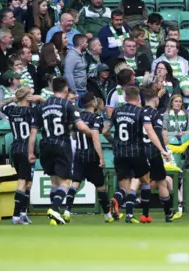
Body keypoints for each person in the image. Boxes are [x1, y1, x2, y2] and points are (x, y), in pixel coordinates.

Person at [28, 77, 93, 225]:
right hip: (61, 144)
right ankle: (54, 208)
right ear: (65, 90)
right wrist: (92, 133)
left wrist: (31, 152)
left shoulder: (41, 107)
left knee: (54, 182)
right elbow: (82, 127)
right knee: (66, 183)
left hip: (45, 145)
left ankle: (55, 216)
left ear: (52, 89)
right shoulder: (68, 105)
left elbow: (33, 132)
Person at [103, 85, 169, 223]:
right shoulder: (141, 112)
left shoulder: (117, 111)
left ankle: (120, 205)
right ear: (138, 98)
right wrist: (162, 149)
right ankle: (143, 215)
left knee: (125, 187)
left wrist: (114, 143)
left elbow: (105, 131)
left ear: (125, 97)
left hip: (119, 153)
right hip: (136, 152)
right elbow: (150, 132)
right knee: (145, 181)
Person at [61, 93, 112, 223]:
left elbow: (73, 135)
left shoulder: (78, 117)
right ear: (93, 102)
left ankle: (67, 210)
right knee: (100, 186)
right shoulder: (96, 118)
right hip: (91, 156)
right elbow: (95, 138)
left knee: (75, 184)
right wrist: (101, 157)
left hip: (79, 154)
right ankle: (107, 215)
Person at [0, 86, 43, 225]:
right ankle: (16, 215)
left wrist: (13, 99)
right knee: (23, 182)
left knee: (28, 181)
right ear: (27, 97)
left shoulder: (12, 109)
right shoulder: (32, 111)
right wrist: (41, 99)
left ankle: (22, 212)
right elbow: (48, 108)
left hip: (15, 148)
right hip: (26, 149)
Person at [141, 88, 181, 222]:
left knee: (141, 182)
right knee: (162, 182)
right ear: (156, 99)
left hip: (139, 152)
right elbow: (157, 133)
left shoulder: (139, 112)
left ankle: (143, 214)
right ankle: (168, 213)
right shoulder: (155, 114)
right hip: (153, 151)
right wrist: (163, 150)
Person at [64, 34, 88, 99]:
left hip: (84, 89)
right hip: (76, 91)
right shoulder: (71, 56)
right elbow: (68, 74)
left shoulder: (82, 54)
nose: (87, 44)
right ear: (81, 43)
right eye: (86, 42)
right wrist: (74, 92)